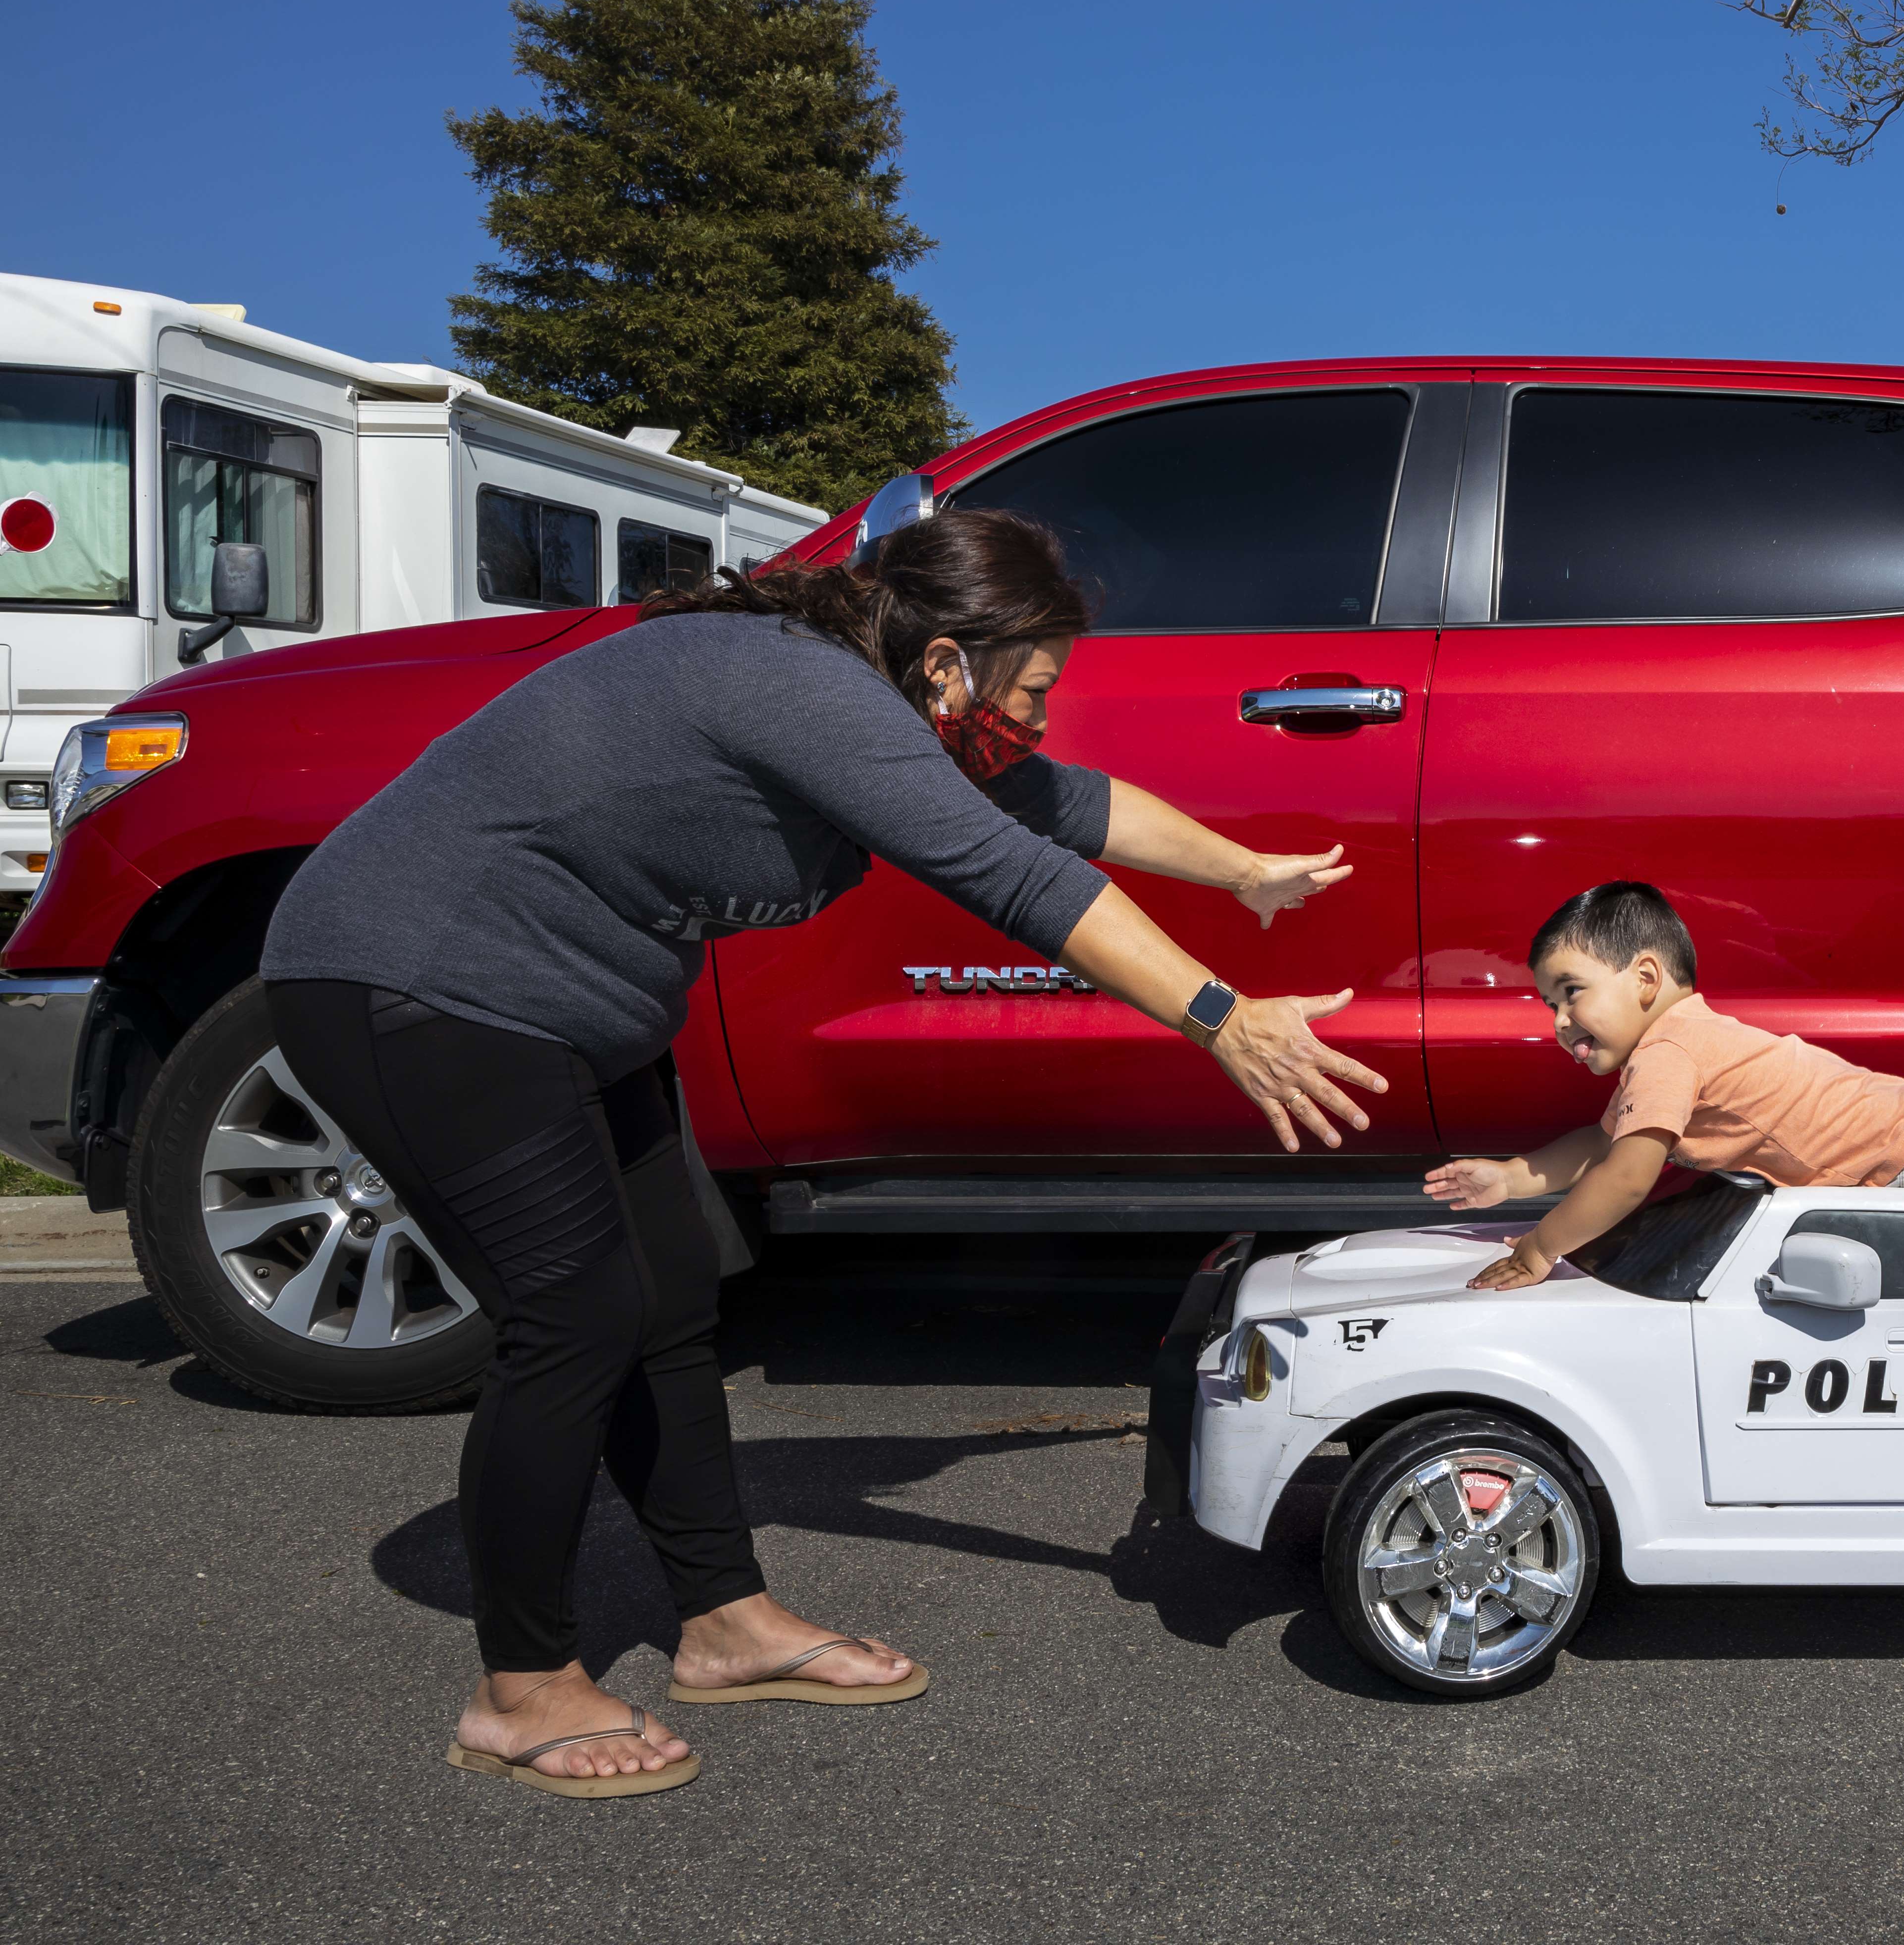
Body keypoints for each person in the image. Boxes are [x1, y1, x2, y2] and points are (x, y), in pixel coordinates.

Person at [257, 507, 1385, 1798]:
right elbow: (1011, 874)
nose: (1036, 721)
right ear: (947, 662)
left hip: (567, 1006)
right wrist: (1222, 1019)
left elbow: (1065, 808)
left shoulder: (894, 710)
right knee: (574, 1314)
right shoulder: (807, 691)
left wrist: (1242, 872)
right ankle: (522, 1690)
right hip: (415, 977)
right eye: (1029, 690)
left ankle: (725, 1624)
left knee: (669, 1296)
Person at [1423, 882, 1904, 1290]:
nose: (1559, 1020)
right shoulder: (1676, 1040)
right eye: (1551, 1004)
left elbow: (1624, 1179)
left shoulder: (1668, 1054)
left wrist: (1542, 1247)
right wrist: (1510, 1177)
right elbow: (1602, 1147)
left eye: (1572, 991)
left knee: (1891, 1304)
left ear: (1645, 978)